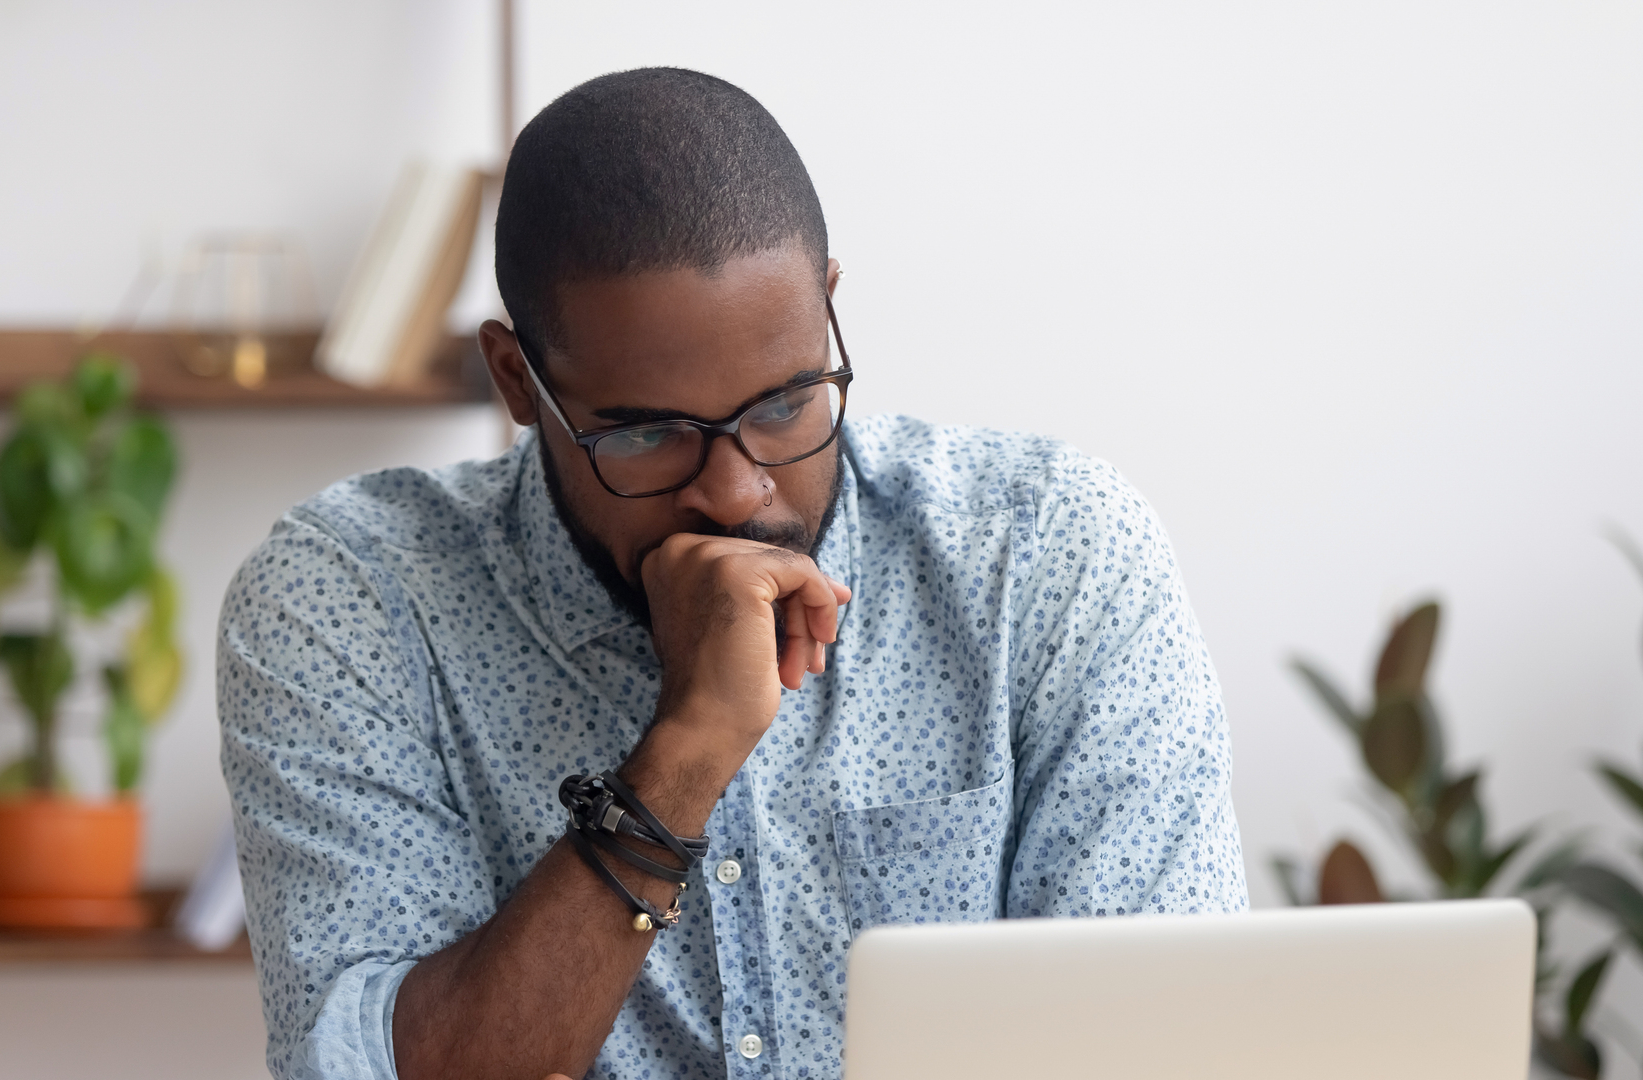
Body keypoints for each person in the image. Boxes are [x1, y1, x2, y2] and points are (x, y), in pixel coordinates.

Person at [218, 67, 1246, 1080]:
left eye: (784, 404)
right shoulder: (351, 599)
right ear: (517, 381)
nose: (739, 492)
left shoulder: (1044, 554)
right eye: (653, 435)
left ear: (829, 310)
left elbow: (1165, 1040)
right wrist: (688, 748)